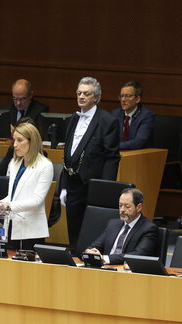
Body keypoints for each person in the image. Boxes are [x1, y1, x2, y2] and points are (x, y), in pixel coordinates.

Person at [62, 77, 121, 248]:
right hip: (73, 182)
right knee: (72, 231)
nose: (81, 96)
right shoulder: (73, 118)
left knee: (92, 232)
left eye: (86, 94)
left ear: (95, 97)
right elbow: (68, 153)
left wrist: (105, 189)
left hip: (92, 185)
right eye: (79, 93)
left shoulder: (107, 121)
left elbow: (112, 157)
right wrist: (64, 186)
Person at [0, 122, 53, 250]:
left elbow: (37, 200)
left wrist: (9, 205)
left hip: (31, 229)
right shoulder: (14, 163)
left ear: (32, 141)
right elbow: (13, 195)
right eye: (14, 140)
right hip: (11, 224)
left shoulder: (45, 166)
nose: (15, 145)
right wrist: (1, 202)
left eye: (19, 140)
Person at [85, 188, 159, 264]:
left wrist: (106, 258)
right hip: (105, 269)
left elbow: (138, 255)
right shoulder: (113, 224)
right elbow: (95, 245)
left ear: (138, 207)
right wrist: (91, 252)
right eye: (120, 205)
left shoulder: (148, 228)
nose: (122, 210)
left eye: (127, 206)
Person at [112, 81, 155, 150]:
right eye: (121, 96)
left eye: (127, 96)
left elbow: (137, 143)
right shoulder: (116, 114)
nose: (123, 100)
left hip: (140, 157)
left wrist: (112, 146)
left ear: (137, 99)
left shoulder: (147, 116)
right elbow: (109, 137)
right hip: (119, 155)